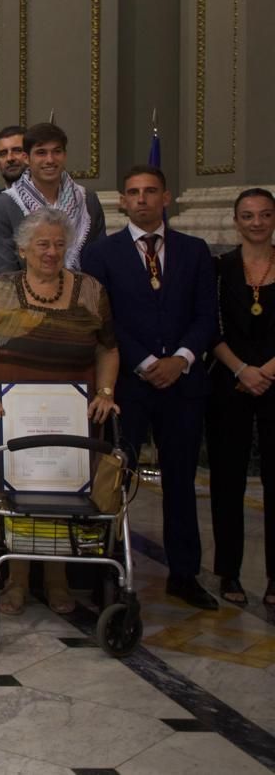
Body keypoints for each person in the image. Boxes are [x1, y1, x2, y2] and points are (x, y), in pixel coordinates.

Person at [0, 207, 121, 615]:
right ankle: (16, 577)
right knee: (16, 491)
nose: (51, 253)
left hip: (73, 416)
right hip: (11, 415)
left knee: (62, 490)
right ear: (22, 249)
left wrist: (105, 391)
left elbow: (108, 347)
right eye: (42, 245)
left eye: (58, 245)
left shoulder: (90, 290)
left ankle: (57, 578)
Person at [86, 166, 219, 609]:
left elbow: (205, 315)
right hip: (128, 385)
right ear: (122, 201)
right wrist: (145, 362)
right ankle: (111, 571)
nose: (141, 200)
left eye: (150, 192)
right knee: (115, 480)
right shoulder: (101, 254)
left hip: (182, 385)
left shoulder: (195, 251)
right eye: (133, 193)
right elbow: (106, 321)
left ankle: (184, 573)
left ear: (167, 197)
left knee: (181, 481)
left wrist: (179, 360)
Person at [208, 188, 275, 607]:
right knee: (226, 481)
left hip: (273, 380)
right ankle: (228, 573)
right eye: (248, 216)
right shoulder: (220, 269)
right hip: (228, 381)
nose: (256, 222)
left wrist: (267, 371)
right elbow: (209, 327)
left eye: (265, 215)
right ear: (236, 222)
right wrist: (241, 369)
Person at [0, 122, 107, 274]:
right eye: (41, 153)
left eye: (56, 152)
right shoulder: (3, 205)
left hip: (84, 294)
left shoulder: (88, 200)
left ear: (64, 155)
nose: (50, 160)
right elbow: (4, 271)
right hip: (25, 295)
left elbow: (101, 260)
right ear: (26, 158)